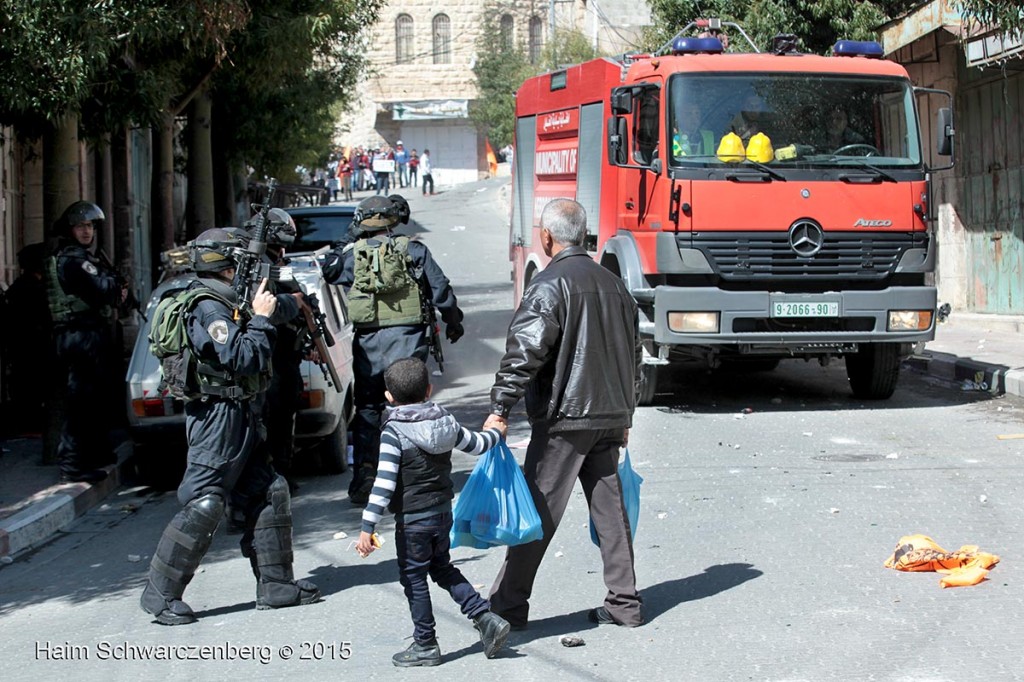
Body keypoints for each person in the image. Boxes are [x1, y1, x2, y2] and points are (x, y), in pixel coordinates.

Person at [140, 228, 319, 626]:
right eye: (238, 257)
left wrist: (279, 306)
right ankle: (160, 594)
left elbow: (274, 316)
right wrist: (259, 319)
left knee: (269, 491)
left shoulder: (225, 298)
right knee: (206, 501)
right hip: (217, 416)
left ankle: (276, 586)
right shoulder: (208, 307)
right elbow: (243, 356)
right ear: (222, 261)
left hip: (240, 411)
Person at [482, 198, 644, 629]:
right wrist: (626, 415)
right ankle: (625, 604)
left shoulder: (549, 284)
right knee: (612, 513)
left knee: (537, 511)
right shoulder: (614, 284)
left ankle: (505, 608)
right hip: (608, 416)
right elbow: (634, 355)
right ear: (584, 235)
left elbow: (524, 353)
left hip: (566, 420)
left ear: (547, 237)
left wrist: (500, 408)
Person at [357, 357, 511, 666]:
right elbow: (478, 444)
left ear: (389, 397)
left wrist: (367, 526)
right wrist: (497, 432)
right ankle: (485, 618)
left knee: (414, 578)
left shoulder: (392, 432)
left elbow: (384, 483)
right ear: (429, 389)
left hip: (412, 521)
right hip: (442, 513)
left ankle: (425, 643)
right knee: (441, 568)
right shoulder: (445, 421)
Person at [322, 195, 464, 505]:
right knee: (410, 407)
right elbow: (441, 291)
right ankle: (416, 475)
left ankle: (365, 478)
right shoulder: (414, 250)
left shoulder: (351, 255)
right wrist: (454, 323)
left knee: (369, 411)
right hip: (409, 343)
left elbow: (329, 271)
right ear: (393, 220)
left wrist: (349, 235)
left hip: (368, 347)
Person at [46, 201, 126, 483]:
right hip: (79, 336)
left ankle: (93, 457)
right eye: (81, 226)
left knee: (92, 401)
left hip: (85, 334)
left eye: (90, 226)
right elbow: (104, 290)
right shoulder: (73, 260)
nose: (87, 231)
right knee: (80, 404)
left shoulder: (82, 258)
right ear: (70, 229)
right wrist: (115, 284)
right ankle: (72, 466)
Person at [2, 243, 53, 432]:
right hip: (30, 348)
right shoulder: (31, 289)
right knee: (30, 389)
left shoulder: (21, 287)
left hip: (25, 349)